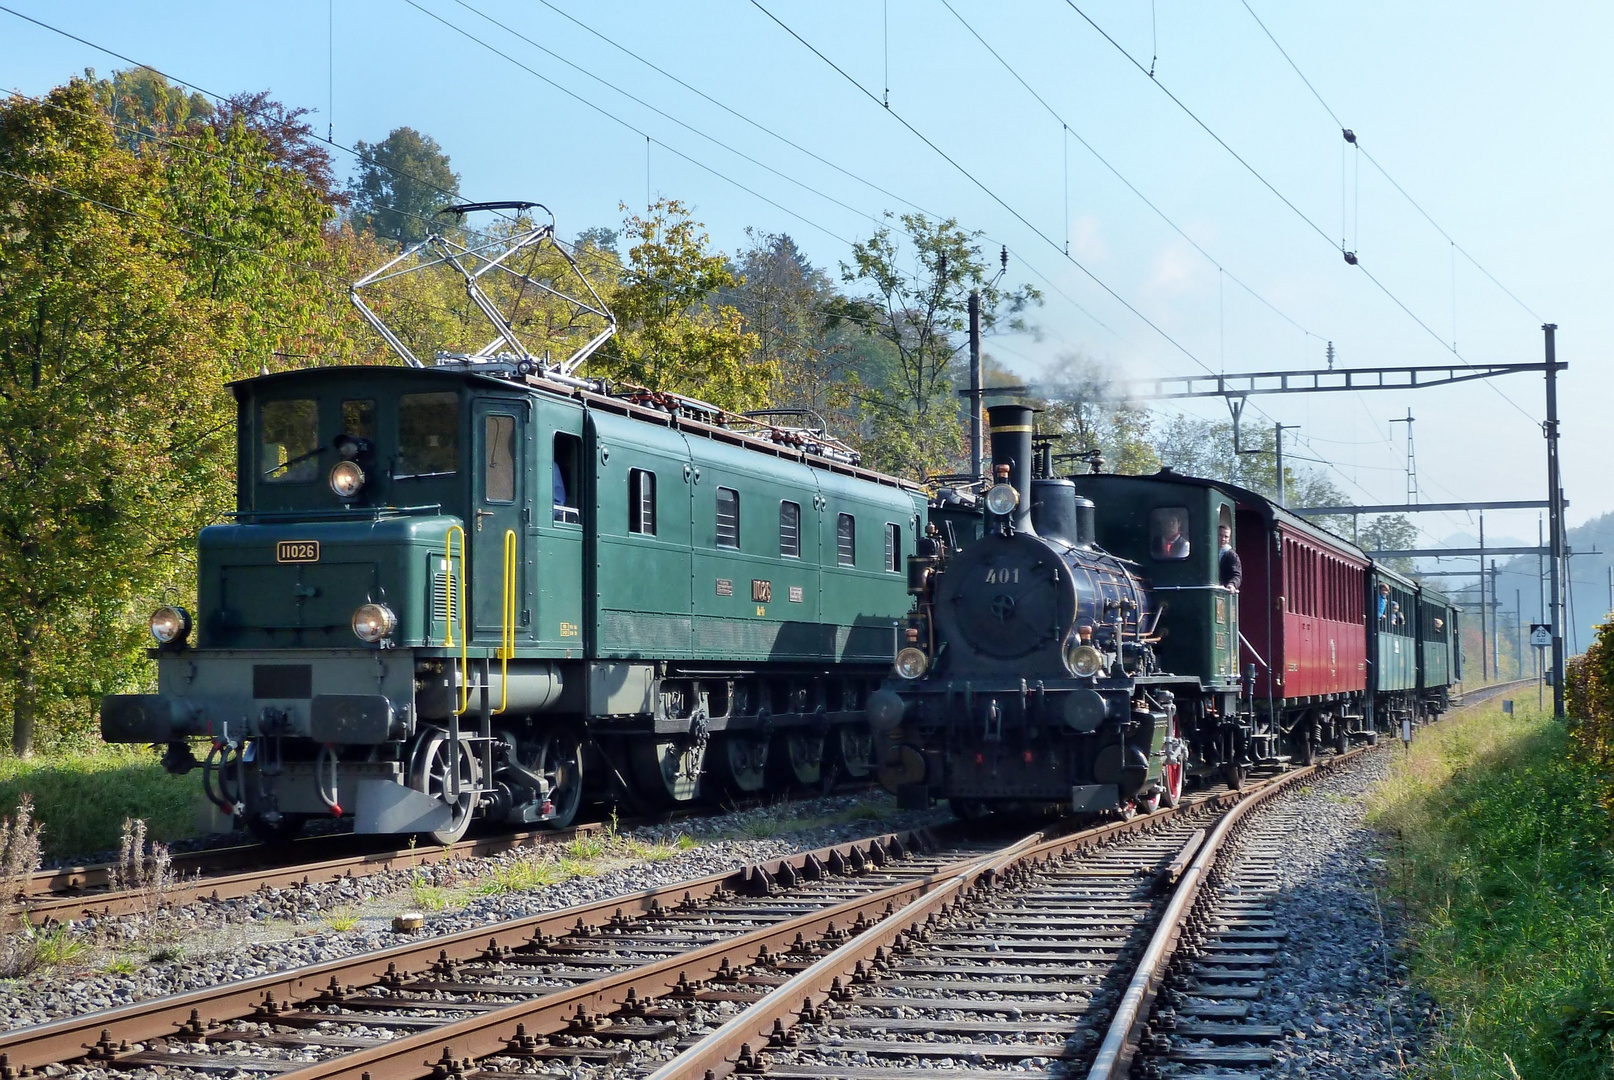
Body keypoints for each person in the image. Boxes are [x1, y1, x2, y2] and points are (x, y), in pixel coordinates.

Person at [1218, 523, 1242, 591]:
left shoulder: (1232, 555)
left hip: (1223, 591)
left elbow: (1237, 574)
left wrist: (1232, 584)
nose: (1223, 539)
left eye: (1226, 537)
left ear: (1229, 539)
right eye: (1220, 535)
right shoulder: (1208, 552)